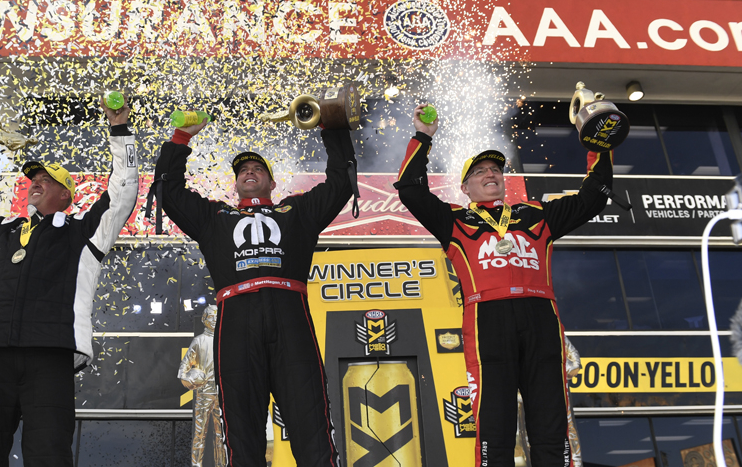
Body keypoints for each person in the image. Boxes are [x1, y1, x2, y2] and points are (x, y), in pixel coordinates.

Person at [394, 104, 612, 467]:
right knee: (494, 427)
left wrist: (599, 144)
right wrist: (422, 136)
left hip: (541, 316)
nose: (490, 173)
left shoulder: (537, 214)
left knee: (551, 426)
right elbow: (410, 190)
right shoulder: (453, 220)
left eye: (495, 169)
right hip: (486, 318)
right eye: (479, 171)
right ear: (465, 188)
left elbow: (594, 197)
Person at [0, 98, 138, 466]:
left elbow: (123, 190)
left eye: (47, 181)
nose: (36, 184)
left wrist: (119, 130)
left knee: (48, 454)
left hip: (50, 353)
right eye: (34, 179)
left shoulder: (84, 235)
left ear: (66, 195)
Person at [151, 117, 356, 467]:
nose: (249, 171)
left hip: (290, 316)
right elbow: (168, 191)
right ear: (235, 184)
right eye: (243, 169)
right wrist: (181, 138)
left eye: (257, 167)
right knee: (241, 431)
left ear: (271, 181)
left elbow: (340, 182)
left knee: (312, 425)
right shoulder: (214, 216)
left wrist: (333, 128)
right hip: (236, 319)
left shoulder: (298, 211)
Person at [178, 305, 227, 467]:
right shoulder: (198, 341)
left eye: (216, 317)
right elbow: (183, 369)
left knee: (222, 436)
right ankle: (196, 465)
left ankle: (222, 465)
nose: (214, 320)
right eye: (211, 317)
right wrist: (189, 380)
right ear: (204, 320)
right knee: (200, 434)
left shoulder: (225, 340)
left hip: (221, 395)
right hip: (203, 394)